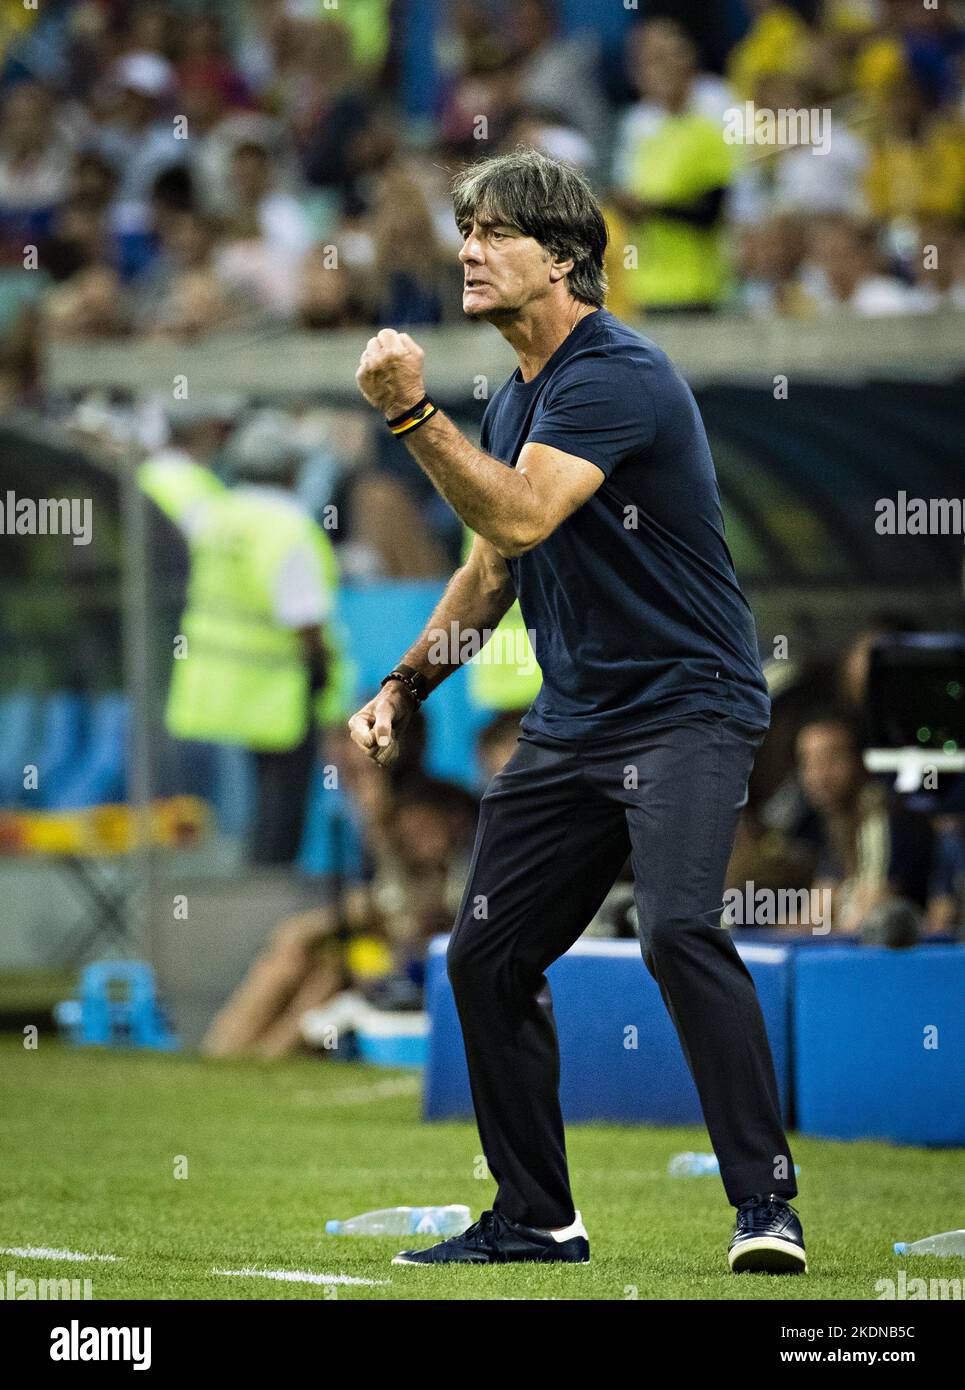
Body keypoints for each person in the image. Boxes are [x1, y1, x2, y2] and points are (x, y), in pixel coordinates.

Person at [348, 148, 805, 1273]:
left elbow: (519, 520)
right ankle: (536, 1217)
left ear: (561, 258)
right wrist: (406, 684)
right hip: (577, 719)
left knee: (676, 929)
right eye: (462, 230)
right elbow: (490, 575)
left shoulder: (614, 373)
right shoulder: (512, 395)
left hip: (685, 706)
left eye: (492, 231)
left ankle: (766, 1206)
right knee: (486, 954)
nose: (465, 249)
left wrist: (410, 418)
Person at [166, 410, 351, 864]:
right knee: (276, 817)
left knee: (222, 820)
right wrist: (326, 676)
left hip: (212, 687)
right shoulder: (288, 527)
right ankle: (263, 908)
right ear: (291, 469)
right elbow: (305, 620)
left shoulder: (213, 517)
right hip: (273, 694)